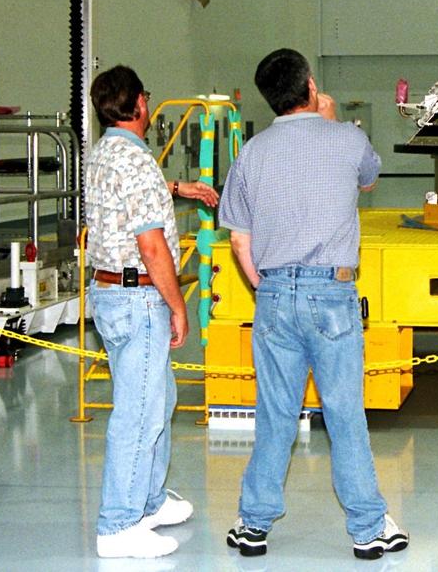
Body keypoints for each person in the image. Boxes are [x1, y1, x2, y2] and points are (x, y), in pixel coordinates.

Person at [218, 48, 408, 561]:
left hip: (275, 294)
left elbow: (239, 240)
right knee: (345, 413)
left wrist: (266, 286)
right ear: (309, 87)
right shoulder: (348, 139)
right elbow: (368, 177)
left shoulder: (251, 152)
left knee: (275, 414)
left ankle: (253, 525)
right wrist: (332, 120)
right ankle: (368, 529)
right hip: (333, 295)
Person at [84, 64, 219, 559]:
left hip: (110, 294)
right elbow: (153, 247)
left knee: (157, 400)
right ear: (140, 104)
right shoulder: (136, 162)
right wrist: (178, 305)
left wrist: (178, 188)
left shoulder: (105, 153)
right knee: (138, 412)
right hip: (139, 297)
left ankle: (149, 501)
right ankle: (118, 525)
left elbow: (133, 195)